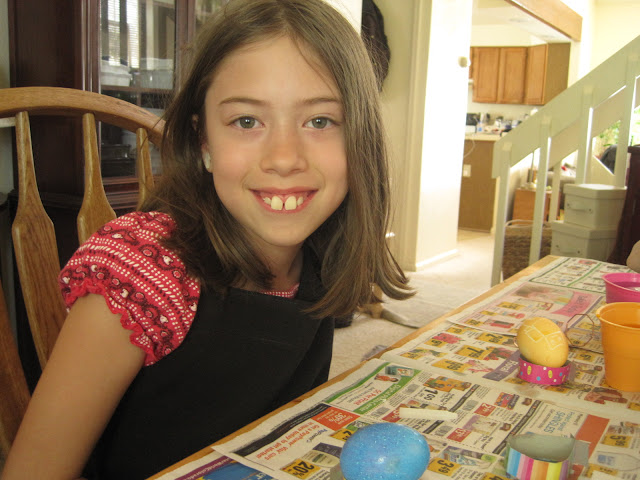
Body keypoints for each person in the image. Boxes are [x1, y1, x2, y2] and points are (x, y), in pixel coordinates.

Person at [1, 0, 412, 479]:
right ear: (204, 143)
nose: (284, 159)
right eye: (246, 121)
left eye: (320, 121)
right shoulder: (144, 269)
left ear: (360, 137)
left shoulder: (324, 248)